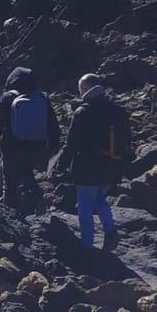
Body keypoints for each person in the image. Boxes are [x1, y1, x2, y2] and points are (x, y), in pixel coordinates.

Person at [53, 72, 132, 249]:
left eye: (81, 89)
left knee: (84, 206)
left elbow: (71, 143)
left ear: (86, 89)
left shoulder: (83, 112)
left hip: (87, 166)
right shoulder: (116, 110)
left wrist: (60, 165)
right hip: (113, 164)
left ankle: (86, 245)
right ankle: (110, 231)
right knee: (99, 199)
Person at [0, 66, 61, 206]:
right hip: (37, 147)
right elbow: (53, 124)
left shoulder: (9, 97)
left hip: (12, 146)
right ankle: (38, 210)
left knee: (10, 183)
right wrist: (54, 148)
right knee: (29, 177)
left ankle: (11, 218)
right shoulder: (42, 97)